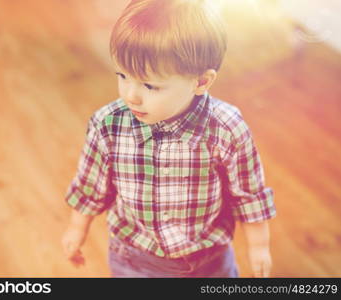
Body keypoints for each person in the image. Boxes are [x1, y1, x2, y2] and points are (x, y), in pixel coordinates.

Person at [61, 0, 276, 277]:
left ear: (201, 82)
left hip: (209, 260)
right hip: (135, 260)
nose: (131, 95)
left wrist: (259, 246)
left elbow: (248, 194)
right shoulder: (108, 125)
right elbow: (91, 186)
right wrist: (77, 228)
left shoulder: (226, 128)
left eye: (150, 85)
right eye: (123, 76)